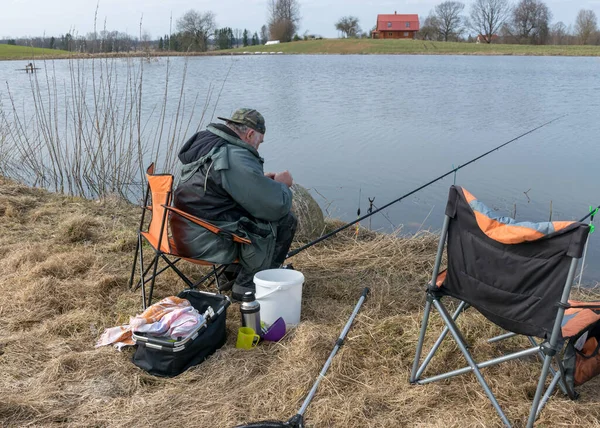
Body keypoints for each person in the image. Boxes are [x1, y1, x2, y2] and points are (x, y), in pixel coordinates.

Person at [171, 108, 297, 300]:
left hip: (186, 228)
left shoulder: (209, 142)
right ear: (250, 134)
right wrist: (282, 185)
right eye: (259, 142)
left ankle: (230, 274)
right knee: (285, 220)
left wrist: (258, 181)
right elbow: (275, 205)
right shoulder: (234, 155)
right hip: (206, 239)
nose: (258, 148)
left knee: (250, 212)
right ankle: (249, 283)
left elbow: (217, 187)